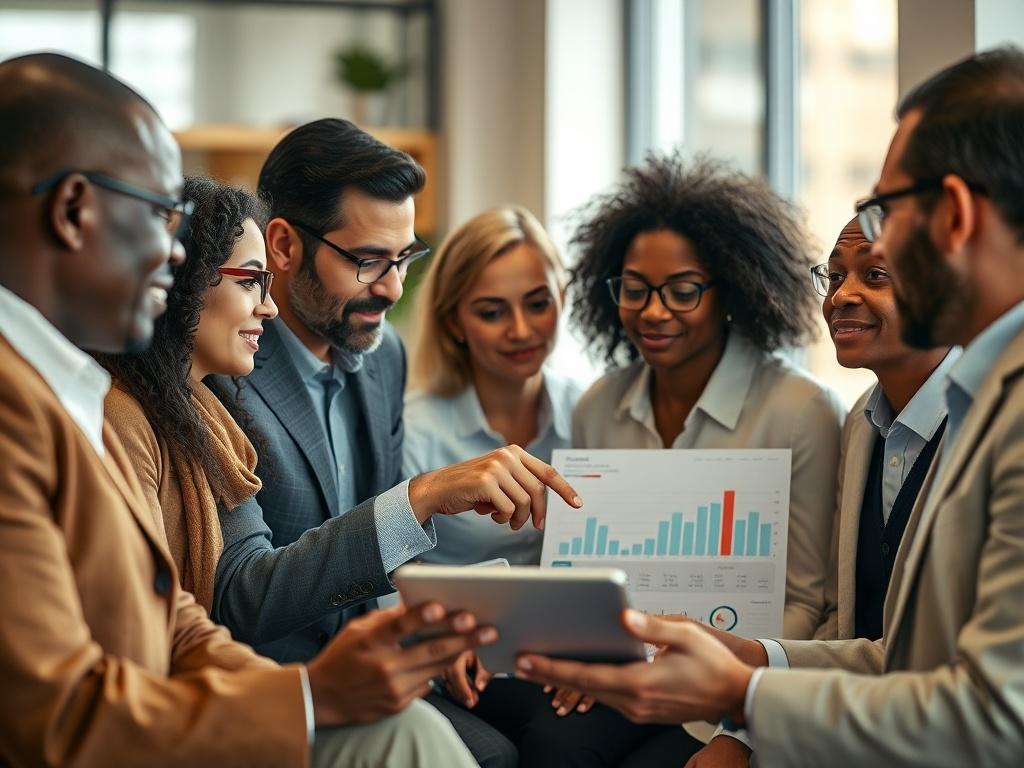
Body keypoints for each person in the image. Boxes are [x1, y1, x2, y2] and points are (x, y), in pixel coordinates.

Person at [516, 46, 1024, 768]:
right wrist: (746, 658)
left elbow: (992, 716)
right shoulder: (948, 402)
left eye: (885, 212)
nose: (853, 278)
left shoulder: (984, 410)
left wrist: (742, 702)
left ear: (956, 215)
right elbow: (903, 662)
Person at [0, 53, 487, 768]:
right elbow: (60, 718)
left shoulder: (73, 390)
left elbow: (174, 622)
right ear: (75, 210)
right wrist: (310, 699)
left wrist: (317, 689)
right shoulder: (32, 406)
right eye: (162, 217)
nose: (175, 256)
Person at [210, 118, 582, 767]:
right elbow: (245, 600)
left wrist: (437, 632)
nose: (392, 288)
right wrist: (424, 497)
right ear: (283, 245)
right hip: (286, 689)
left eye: (404, 257)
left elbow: (378, 566)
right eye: (367, 261)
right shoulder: (222, 373)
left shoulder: (383, 357)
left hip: (389, 668)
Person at [690, 217, 959, 765]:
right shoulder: (860, 422)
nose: (841, 297)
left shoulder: (990, 436)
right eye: (834, 276)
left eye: (875, 275)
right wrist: (741, 732)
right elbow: (844, 620)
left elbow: (944, 661)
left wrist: (750, 663)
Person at [405, 204, 581, 567]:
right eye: (492, 312)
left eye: (537, 304)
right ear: (453, 322)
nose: (520, 330)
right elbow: (389, 580)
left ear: (562, 298)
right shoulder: (412, 431)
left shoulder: (591, 414)